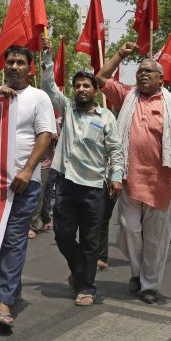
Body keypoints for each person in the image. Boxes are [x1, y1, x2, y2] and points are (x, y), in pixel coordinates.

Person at [98, 42, 171, 305]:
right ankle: (137, 272)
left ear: (161, 79)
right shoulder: (126, 96)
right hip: (128, 177)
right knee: (129, 229)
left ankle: (149, 285)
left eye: (148, 71)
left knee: (155, 237)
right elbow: (100, 78)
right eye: (139, 71)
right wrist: (120, 54)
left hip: (161, 181)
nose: (142, 74)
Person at [41, 37, 123, 307]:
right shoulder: (67, 109)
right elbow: (48, 86)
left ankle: (86, 286)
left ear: (94, 90)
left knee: (90, 241)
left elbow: (116, 151)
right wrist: (47, 56)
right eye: (77, 86)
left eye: (86, 85)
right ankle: (80, 271)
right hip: (66, 185)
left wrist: (116, 177)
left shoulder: (106, 117)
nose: (81, 89)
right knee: (63, 235)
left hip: (95, 188)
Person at [0, 45, 56, 329]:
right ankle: (9, 290)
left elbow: (45, 135)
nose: (14, 67)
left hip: (24, 183)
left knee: (13, 240)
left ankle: (4, 304)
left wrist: (27, 170)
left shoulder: (39, 97)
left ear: (29, 68)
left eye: (20, 63)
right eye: (10, 62)